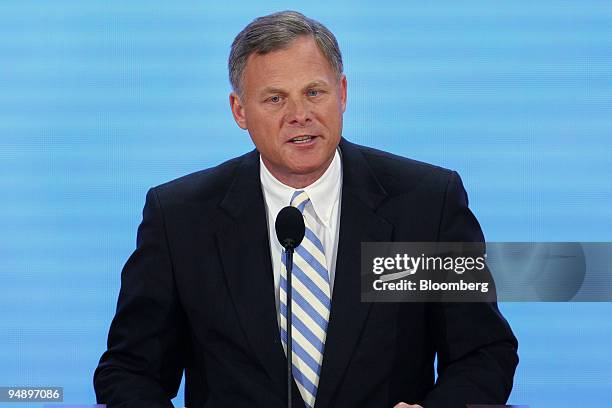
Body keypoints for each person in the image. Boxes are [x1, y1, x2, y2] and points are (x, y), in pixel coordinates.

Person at [94, 10, 518, 408]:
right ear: (239, 111)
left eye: (314, 92)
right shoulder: (181, 218)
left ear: (343, 93)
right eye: (275, 99)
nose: (300, 115)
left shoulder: (425, 204)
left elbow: (484, 353)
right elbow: (130, 371)